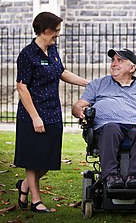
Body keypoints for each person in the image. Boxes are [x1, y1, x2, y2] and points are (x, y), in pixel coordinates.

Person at [14, 12, 88, 213]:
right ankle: (36, 201)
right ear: (44, 30)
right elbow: (22, 87)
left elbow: (61, 72)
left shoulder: (53, 50)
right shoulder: (27, 54)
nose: (57, 34)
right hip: (32, 115)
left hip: (53, 112)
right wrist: (35, 117)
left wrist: (88, 83)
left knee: (47, 160)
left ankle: (25, 186)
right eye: (55, 30)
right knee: (32, 159)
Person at [72, 48, 136, 190]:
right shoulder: (98, 84)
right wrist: (79, 110)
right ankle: (110, 176)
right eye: (113, 60)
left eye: (120, 60)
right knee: (111, 128)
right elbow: (79, 105)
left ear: (132, 67)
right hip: (107, 126)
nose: (114, 64)